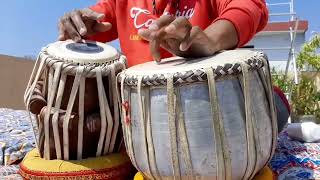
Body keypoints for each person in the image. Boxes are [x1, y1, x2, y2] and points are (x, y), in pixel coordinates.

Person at [58, 0, 289, 130]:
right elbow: (97, 17)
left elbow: (250, 8)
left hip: (208, 109)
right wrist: (78, 22)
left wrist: (211, 39)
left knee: (273, 106)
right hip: (141, 113)